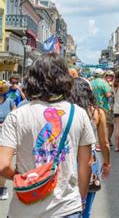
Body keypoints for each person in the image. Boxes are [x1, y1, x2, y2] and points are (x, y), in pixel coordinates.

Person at [0, 53, 95, 217]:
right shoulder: (78, 113)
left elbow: (2, 165)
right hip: (66, 208)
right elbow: (86, 164)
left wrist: (23, 178)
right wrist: (82, 197)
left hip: (24, 208)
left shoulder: (17, 115)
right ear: (65, 78)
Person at [69, 77, 111, 218]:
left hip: (68, 159)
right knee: (85, 207)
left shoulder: (67, 111)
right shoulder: (97, 112)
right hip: (90, 160)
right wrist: (107, 162)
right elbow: (104, 143)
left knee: (66, 205)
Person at [0, 84, 15, 200]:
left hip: (5, 134)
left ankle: (2, 187)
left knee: (3, 162)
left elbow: (15, 117)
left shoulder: (9, 101)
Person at [91, 68, 113, 145]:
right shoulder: (103, 83)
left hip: (93, 107)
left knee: (95, 125)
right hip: (104, 107)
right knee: (106, 125)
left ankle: (96, 142)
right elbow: (108, 94)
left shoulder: (91, 83)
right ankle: (105, 141)